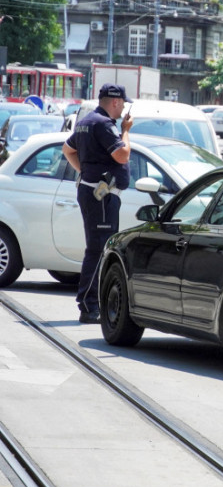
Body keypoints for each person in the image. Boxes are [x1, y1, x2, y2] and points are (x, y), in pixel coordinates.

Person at [62, 83, 134, 324]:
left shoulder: (86, 122)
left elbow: (67, 150)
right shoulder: (103, 124)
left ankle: (90, 304)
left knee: (97, 248)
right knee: (98, 249)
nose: (124, 107)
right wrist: (126, 130)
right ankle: (89, 306)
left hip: (94, 192)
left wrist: (85, 174)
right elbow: (123, 154)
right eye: (123, 103)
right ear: (115, 102)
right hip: (101, 197)